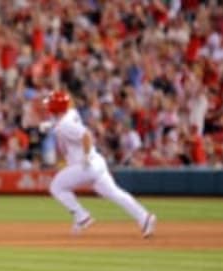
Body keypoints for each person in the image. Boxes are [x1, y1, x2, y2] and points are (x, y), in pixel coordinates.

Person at [43, 91, 156, 238]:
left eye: (50, 103)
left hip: (85, 166)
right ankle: (144, 217)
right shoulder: (70, 113)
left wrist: (86, 156)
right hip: (97, 163)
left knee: (56, 186)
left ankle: (82, 215)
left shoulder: (65, 124)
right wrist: (50, 124)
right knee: (115, 193)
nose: (48, 106)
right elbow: (65, 114)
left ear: (55, 107)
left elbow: (86, 135)